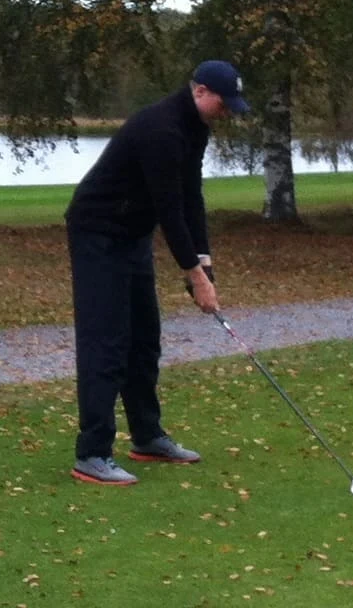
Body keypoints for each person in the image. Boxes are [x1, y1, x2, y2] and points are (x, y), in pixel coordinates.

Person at [65, 60, 249, 486]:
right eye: (224, 103)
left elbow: (190, 198)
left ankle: (147, 437)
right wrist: (194, 276)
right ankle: (91, 454)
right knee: (106, 343)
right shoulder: (162, 129)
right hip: (98, 233)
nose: (227, 112)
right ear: (200, 91)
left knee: (144, 341)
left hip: (132, 235)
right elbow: (169, 211)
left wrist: (204, 262)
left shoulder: (196, 129)